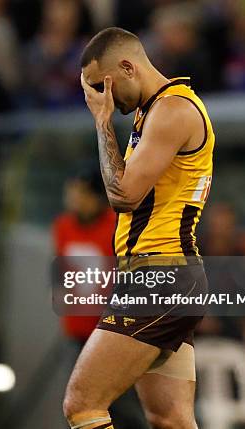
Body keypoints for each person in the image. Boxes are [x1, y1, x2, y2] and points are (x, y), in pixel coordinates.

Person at [65, 27, 215, 429]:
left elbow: (123, 195)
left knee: (82, 404)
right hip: (165, 275)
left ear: (127, 67)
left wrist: (101, 123)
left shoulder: (172, 110)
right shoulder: (154, 112)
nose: (103, 99)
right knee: (170, 419)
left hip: (161, 275)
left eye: (102, 86)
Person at [52, 170, 147, 429]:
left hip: (111, 331)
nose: (72, 198)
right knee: (80, 405)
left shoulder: (117, 225)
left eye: (79, 192)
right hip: (77, 330)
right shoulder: (63, 226)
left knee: (123, 404)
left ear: (95, 196)